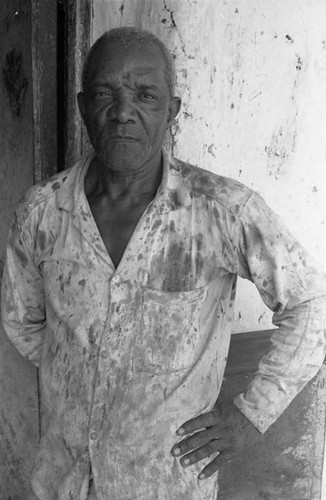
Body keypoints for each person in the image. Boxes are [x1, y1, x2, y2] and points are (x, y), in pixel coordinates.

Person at [1, 26, 325, 500]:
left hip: (165, 484)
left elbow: (312, 303)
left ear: (171, 111)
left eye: (145, 95)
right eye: (104, 94)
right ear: (81, 106)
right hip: (62, 482)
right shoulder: (42, 212)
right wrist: (85, 370)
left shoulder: (220, 210)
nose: (123, 113)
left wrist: (250, 416)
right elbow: (25, 324)